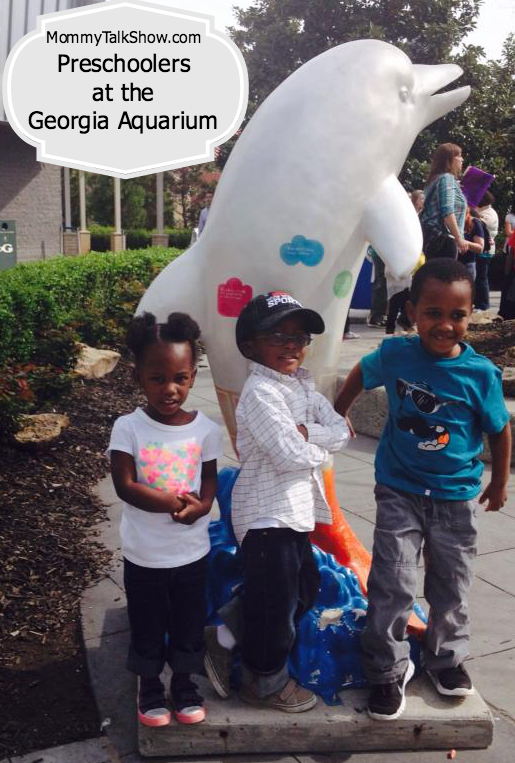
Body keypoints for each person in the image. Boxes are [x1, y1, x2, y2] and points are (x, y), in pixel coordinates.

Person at [335, 258, 511, 721]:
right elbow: (361, 370)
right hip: (399, 489)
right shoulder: (396, 355)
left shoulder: (481, 374)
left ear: (471, 314)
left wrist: (500, 479)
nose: (445, 324)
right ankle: (387, 670)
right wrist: (339, 411)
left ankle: (446, 659)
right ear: (413, 311)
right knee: (392, 581)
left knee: (451, 583)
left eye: (458, 314)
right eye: (433, 312)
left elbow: (499, 429)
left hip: (456, 496)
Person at [204, 292, 350, 712]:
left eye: (300, 336)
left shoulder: (301, 385)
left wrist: (310, 434)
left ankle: (226, 633)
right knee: (276, 603)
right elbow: (291, 455)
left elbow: (341, 429)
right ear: (251, 346)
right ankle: (265, 682)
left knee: (301, 587)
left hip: (296, 512)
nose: (292, 345)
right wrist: (315, 441)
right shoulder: (260, 393)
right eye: (278, 336)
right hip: (268, 514)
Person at [107, 312, 223, 727]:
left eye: (180, 378)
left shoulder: (205, 429)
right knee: (148, 622)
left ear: (192, 376)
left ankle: (186, 684)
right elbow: (125, 485)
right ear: (139, 376)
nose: (169, 389)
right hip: (145, 556)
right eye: (157, 378)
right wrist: (175, 503)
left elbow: (209, 481)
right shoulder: (128, 428)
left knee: (189, 622)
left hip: (191, 552)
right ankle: (150, 684)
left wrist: (203, 505)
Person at [419, 143, 468, 260]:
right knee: (444, 277)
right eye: (459, 156)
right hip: (443, 240)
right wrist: (459, 238)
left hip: (431, 238)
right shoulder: (447, 178)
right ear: (449, 159)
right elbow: (447, 211)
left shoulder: (435, 178)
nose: (462, 159)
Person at [476, 191, 498, 311]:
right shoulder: (485, 211)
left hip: (486, 250)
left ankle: (483, 305)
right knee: (479, 277)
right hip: (484, 248)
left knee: (482, 278)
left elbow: (479, 223)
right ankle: (480, 303)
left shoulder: (489, 213)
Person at [461, 207, 484, 281]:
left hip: (467, 264)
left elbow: (480, 248)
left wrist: (463, 242)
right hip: (451, 263)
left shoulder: (474, 222)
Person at [367, 246, 388, 327]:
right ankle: (376, 317)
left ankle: (379, 316)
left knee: (383, 283)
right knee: (381, 283)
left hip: (388, 251)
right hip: (381, 252)